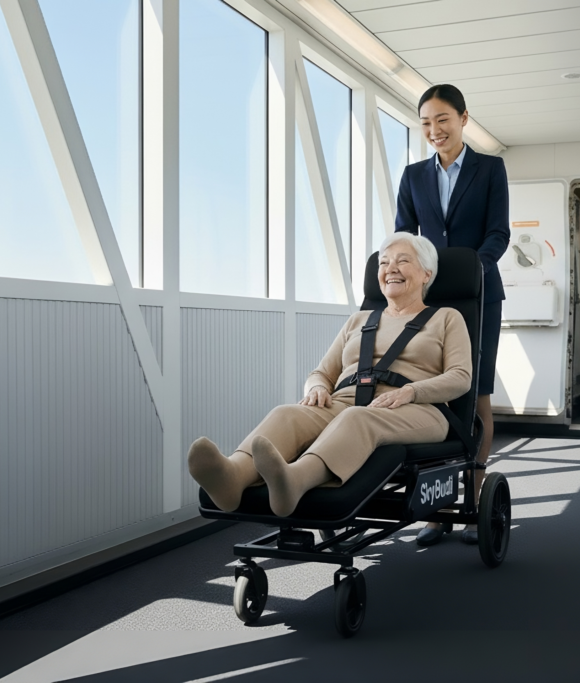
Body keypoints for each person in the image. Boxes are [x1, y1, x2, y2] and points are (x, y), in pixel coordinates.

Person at [186, 233, 471, 518]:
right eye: (384, 263)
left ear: (426, 274)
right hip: (346, 402)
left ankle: (295, 480)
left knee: (357, 418)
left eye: (402, 261)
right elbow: (321, 373)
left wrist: (412, 391)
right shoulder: (359, 320)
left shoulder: (446, 318)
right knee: (288, 413)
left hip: (419, 409)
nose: (390, 268)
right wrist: (317, 388)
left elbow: (460, 377)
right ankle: (233, 476)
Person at [394, 83, 510, 546]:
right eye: (425, 122)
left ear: (463, 118)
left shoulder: (490, 169)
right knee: (429, 390)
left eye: (442, 119)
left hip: (479, 295)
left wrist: (467, 272)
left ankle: (475, 495)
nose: (434, 130)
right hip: (428, 299)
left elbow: (498, 234)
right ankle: (436, 508)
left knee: (475, 390)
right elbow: (405, 236)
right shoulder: (413, 175)